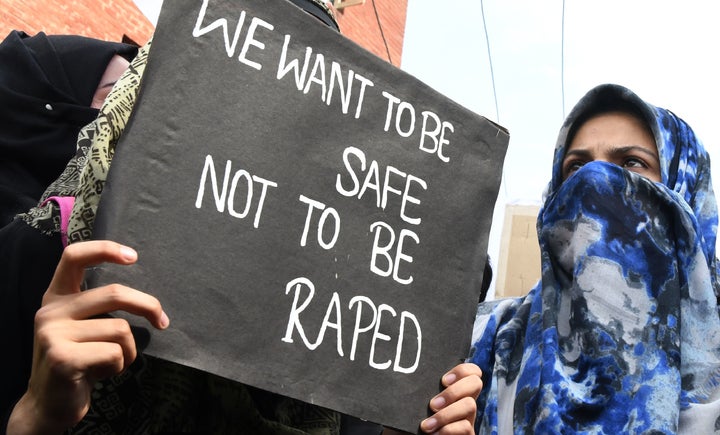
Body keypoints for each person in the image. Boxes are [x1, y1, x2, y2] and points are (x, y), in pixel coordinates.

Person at [2, 5, 483, 434]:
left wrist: (423, 418)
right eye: (237, 97)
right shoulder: (44, 264)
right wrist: (36, 415)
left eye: (305, 124)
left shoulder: (342, 345)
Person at [468, 83, 720, 433]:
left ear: (685, 187)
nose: (593, 179)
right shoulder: (484, 342)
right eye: (575, 167)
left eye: (632, 162)